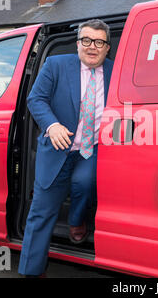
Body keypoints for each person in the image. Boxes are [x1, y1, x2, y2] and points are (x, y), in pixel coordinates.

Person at [18, 19, 113, 277]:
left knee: (85, 183)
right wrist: (52, 125)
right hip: (58, 148)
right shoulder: (56, 65)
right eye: (87, 40)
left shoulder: (116, 72)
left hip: (91, 149)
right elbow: (36, 99)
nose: (92, 47)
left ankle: (76, 221)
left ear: (107, 47)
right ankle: (31, 271)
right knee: (42, 212)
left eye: (99, 42)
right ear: (78, 42)